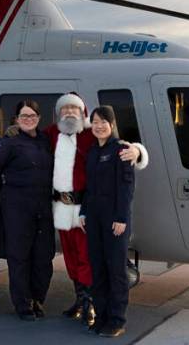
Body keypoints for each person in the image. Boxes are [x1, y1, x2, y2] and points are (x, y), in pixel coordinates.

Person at [45, 93, 146, 327]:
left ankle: (93, 303)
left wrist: (138, 151)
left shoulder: (92, 132)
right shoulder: (51, 134)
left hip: (86, 208)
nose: (69, 113)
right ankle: (80, 299)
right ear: (59, 113)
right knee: (71, 258)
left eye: (74, 108)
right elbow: (29, 137)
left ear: (83, 113)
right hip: (61, 207)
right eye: (65, 109)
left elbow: (121, 144)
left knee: (88, 259)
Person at [0, 99, 55, 321]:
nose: (28, 120)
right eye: (24, 116)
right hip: (17, 208)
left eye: (32, 116)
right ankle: (23, 304)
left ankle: (38, 299)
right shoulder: (9, 143)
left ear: (39, 118)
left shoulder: (45, 141)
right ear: (17, 120)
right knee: (20, 257)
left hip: (43, 207)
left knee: (43, 257)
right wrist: (5, 193)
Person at [79, 106, 135, 338]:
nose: (99, 126)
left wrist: (122, 217)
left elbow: (126, 186)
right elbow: (89, 187)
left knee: (116, 270)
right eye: (95, 121)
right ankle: (101, 315)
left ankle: (117, 319)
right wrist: (83, 212)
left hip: (115, 219)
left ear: (112, 124)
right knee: (98, 268)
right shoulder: (92, 152)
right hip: (94, 218)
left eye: (104, 121)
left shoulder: (121, 150)